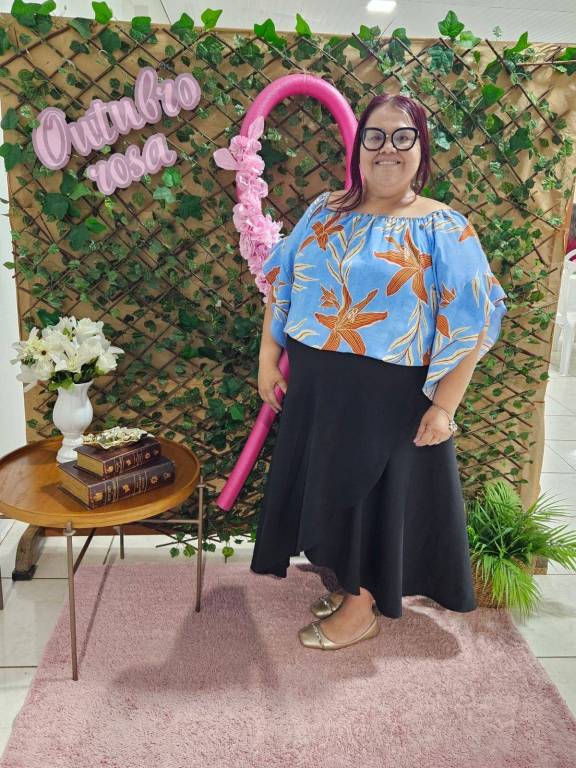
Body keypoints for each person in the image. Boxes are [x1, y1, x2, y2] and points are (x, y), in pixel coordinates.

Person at [250, 93, 508, 651]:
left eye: (402, 136)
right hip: (320, 394)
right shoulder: (325, 210)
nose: (387, 148)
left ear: (421, 149)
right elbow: (282, 281)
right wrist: (269, 357)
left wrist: (445, 407)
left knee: (371, 498)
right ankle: (348, 585)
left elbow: (470, 322)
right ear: (358, 146)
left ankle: (362, 607)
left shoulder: (445, 227)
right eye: (375, 135)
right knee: (334, 494)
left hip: (390, 399)